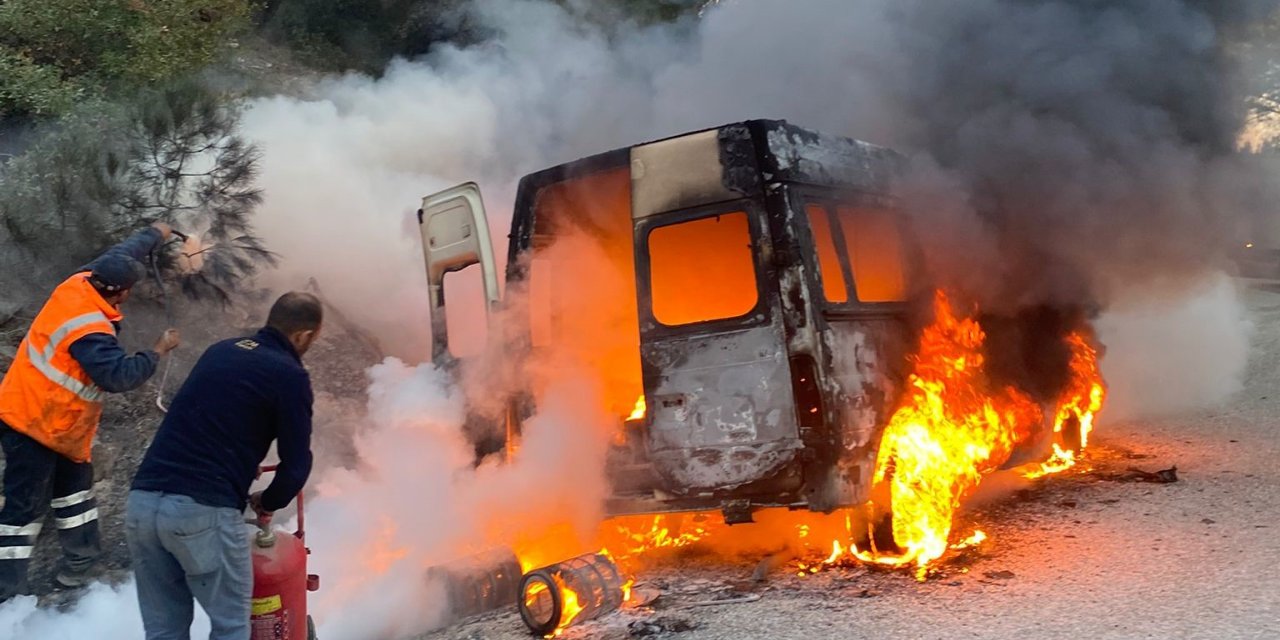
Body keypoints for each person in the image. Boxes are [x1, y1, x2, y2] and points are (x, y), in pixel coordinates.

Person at [0, 223, 181, 600]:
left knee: (74, 493)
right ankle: (7, 592)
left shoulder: (80, 281)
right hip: (32, 423)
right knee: (23, 508)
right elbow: (117, 376)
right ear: (121, 292)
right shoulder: (91, 330)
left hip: (59, 423)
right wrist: (158, 351)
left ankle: (80, 564)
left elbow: (125, 251)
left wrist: (156, 233)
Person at [127, 292, 321, 640]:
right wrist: (269, 501)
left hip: (142, 504)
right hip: (202, 511)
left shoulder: (221, 350)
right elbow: (296, 465)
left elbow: (213, 418)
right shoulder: (289, 375)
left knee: (164, 630)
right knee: (231, 626)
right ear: (304, 336)